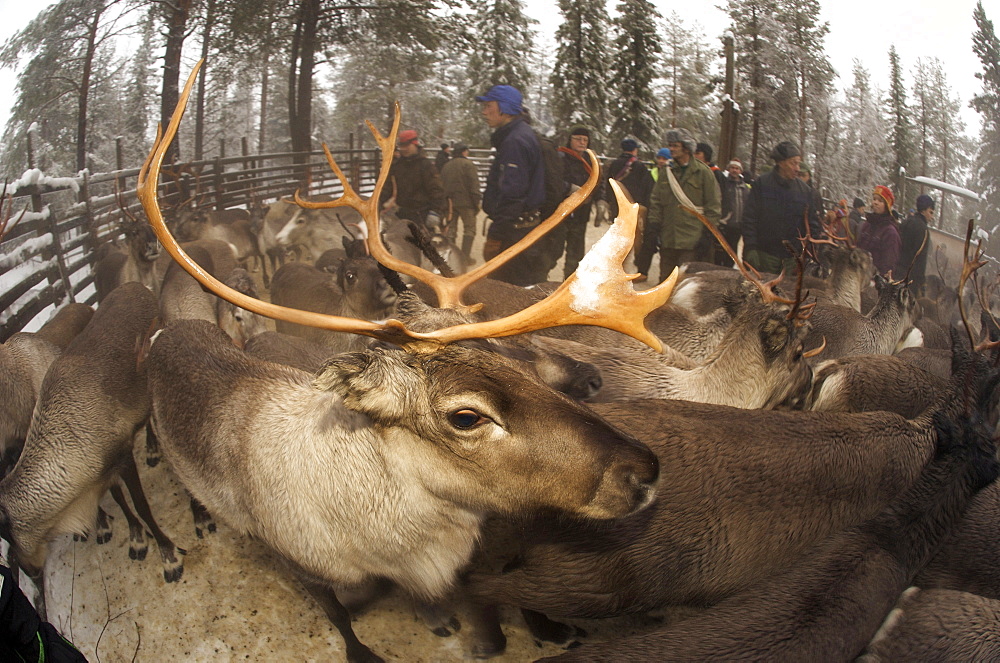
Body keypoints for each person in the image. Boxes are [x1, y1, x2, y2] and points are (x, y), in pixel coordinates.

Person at [475, 84, 547, 285]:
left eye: (489, 105)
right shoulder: (519, 135)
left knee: (508, 291)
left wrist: (496, 237)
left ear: (504, 108)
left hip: (514, 234)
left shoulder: (514, 142)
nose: (484, 111)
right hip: (521, 231)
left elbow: (513, 195)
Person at [647, 128, 721, 283]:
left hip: (692, 240)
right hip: (668, 238)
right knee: (665, 283)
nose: (671, 149)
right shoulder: (666, 172)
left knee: (685, 284)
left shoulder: (703, 172)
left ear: (686, 148)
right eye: (670, 145)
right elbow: (656, 201)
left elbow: (713, 206)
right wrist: (653, 226)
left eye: (675, 146)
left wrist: (707, 235)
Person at [741, 140, 822, 274]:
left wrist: (807, 255)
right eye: (793, 163)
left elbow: (812, 225)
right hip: (764, 257)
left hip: (791, 262)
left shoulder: (805, 191)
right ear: (780, 162)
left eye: (798, 163)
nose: (797, 168)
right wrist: (751, 248)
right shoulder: (761, 184)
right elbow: (749, 218)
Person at [557, 125, 603, 278]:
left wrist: (600, 200)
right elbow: (553, 180)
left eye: (585, 140)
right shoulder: (560, 157)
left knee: (576, 255)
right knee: (552, 251)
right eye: (578, 139)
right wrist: (569, 188)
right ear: (570, 140)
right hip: (561, 213)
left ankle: (568, 286)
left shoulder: (590, 161)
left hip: (581, 214)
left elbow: (597, 182)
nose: (582, 142)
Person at [378, 129, 447, 228]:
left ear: (415, 144)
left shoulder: (425, 165)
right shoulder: (397, 166)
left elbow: (436, 190)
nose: (404, 149)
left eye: (407, 145)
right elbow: (387, 188)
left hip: (422, 215)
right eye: (402, 146)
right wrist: (377, 205)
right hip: (402, 214)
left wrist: (435, 212)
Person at [439, 144, 481, 260]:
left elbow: (441, 185)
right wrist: (476, 202)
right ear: (463, 152)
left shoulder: (446, 166)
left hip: (450, 204)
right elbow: (474, 185)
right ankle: (465, 257)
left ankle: (452, 257)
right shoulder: (468, 165)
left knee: (451, 230)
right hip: (466, 203)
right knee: (469, 228)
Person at [857, 185, 901, 276]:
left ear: (887, 206)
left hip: (874, 281)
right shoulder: (867, 225)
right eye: (874, 199)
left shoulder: (890, 232)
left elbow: (889, 264)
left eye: (880, 201)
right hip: (858, 276)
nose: (875, 202)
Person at [896, 193, 934, 293]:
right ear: (924, 210)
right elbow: (920, 259)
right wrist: (921, 283)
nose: (932, 217)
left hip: (895, 271)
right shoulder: (923, 230)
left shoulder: (905, 222)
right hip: (909, 278)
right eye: (931, 212)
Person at [718, 159, 750, 267]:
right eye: (732, 168)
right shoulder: (724, 184)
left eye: (736, 168)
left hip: (739, 224)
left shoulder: (745, 187)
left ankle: (729, 267)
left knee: (733, 249)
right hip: (726, 223)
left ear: (740, 171)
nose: (734, 170)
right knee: (722, 249)